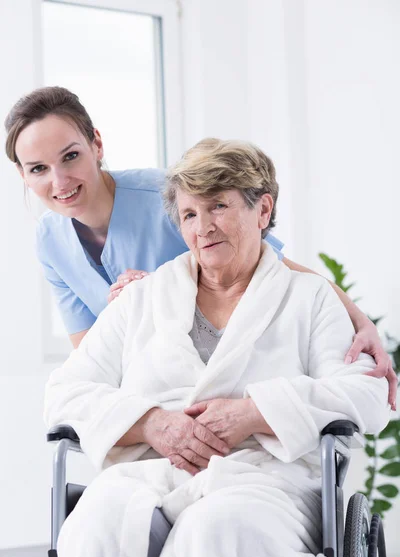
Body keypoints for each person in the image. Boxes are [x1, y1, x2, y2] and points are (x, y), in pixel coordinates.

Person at [44, 138, 390, 557]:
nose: (203, 228)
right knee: (98, 524)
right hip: (150, 472)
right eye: (189, 215)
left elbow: (365, 394)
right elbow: (65, 392)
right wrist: (152, 423)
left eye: (218, 207)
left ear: (262, 210)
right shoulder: (142, 300)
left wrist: (254, 413)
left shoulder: (308, 298)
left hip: (266, 480)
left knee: (217, 532)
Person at [4, 86, 397, 409]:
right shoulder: (50, 240)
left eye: (70, 156)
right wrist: (134, 311)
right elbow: (91, 355)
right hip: (157, 402)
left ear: (97, 144)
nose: (60, 180)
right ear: (22, 174)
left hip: (239, 383)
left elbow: (273, 264)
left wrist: (359, 321)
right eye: (38, 168)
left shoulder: (174, 198)